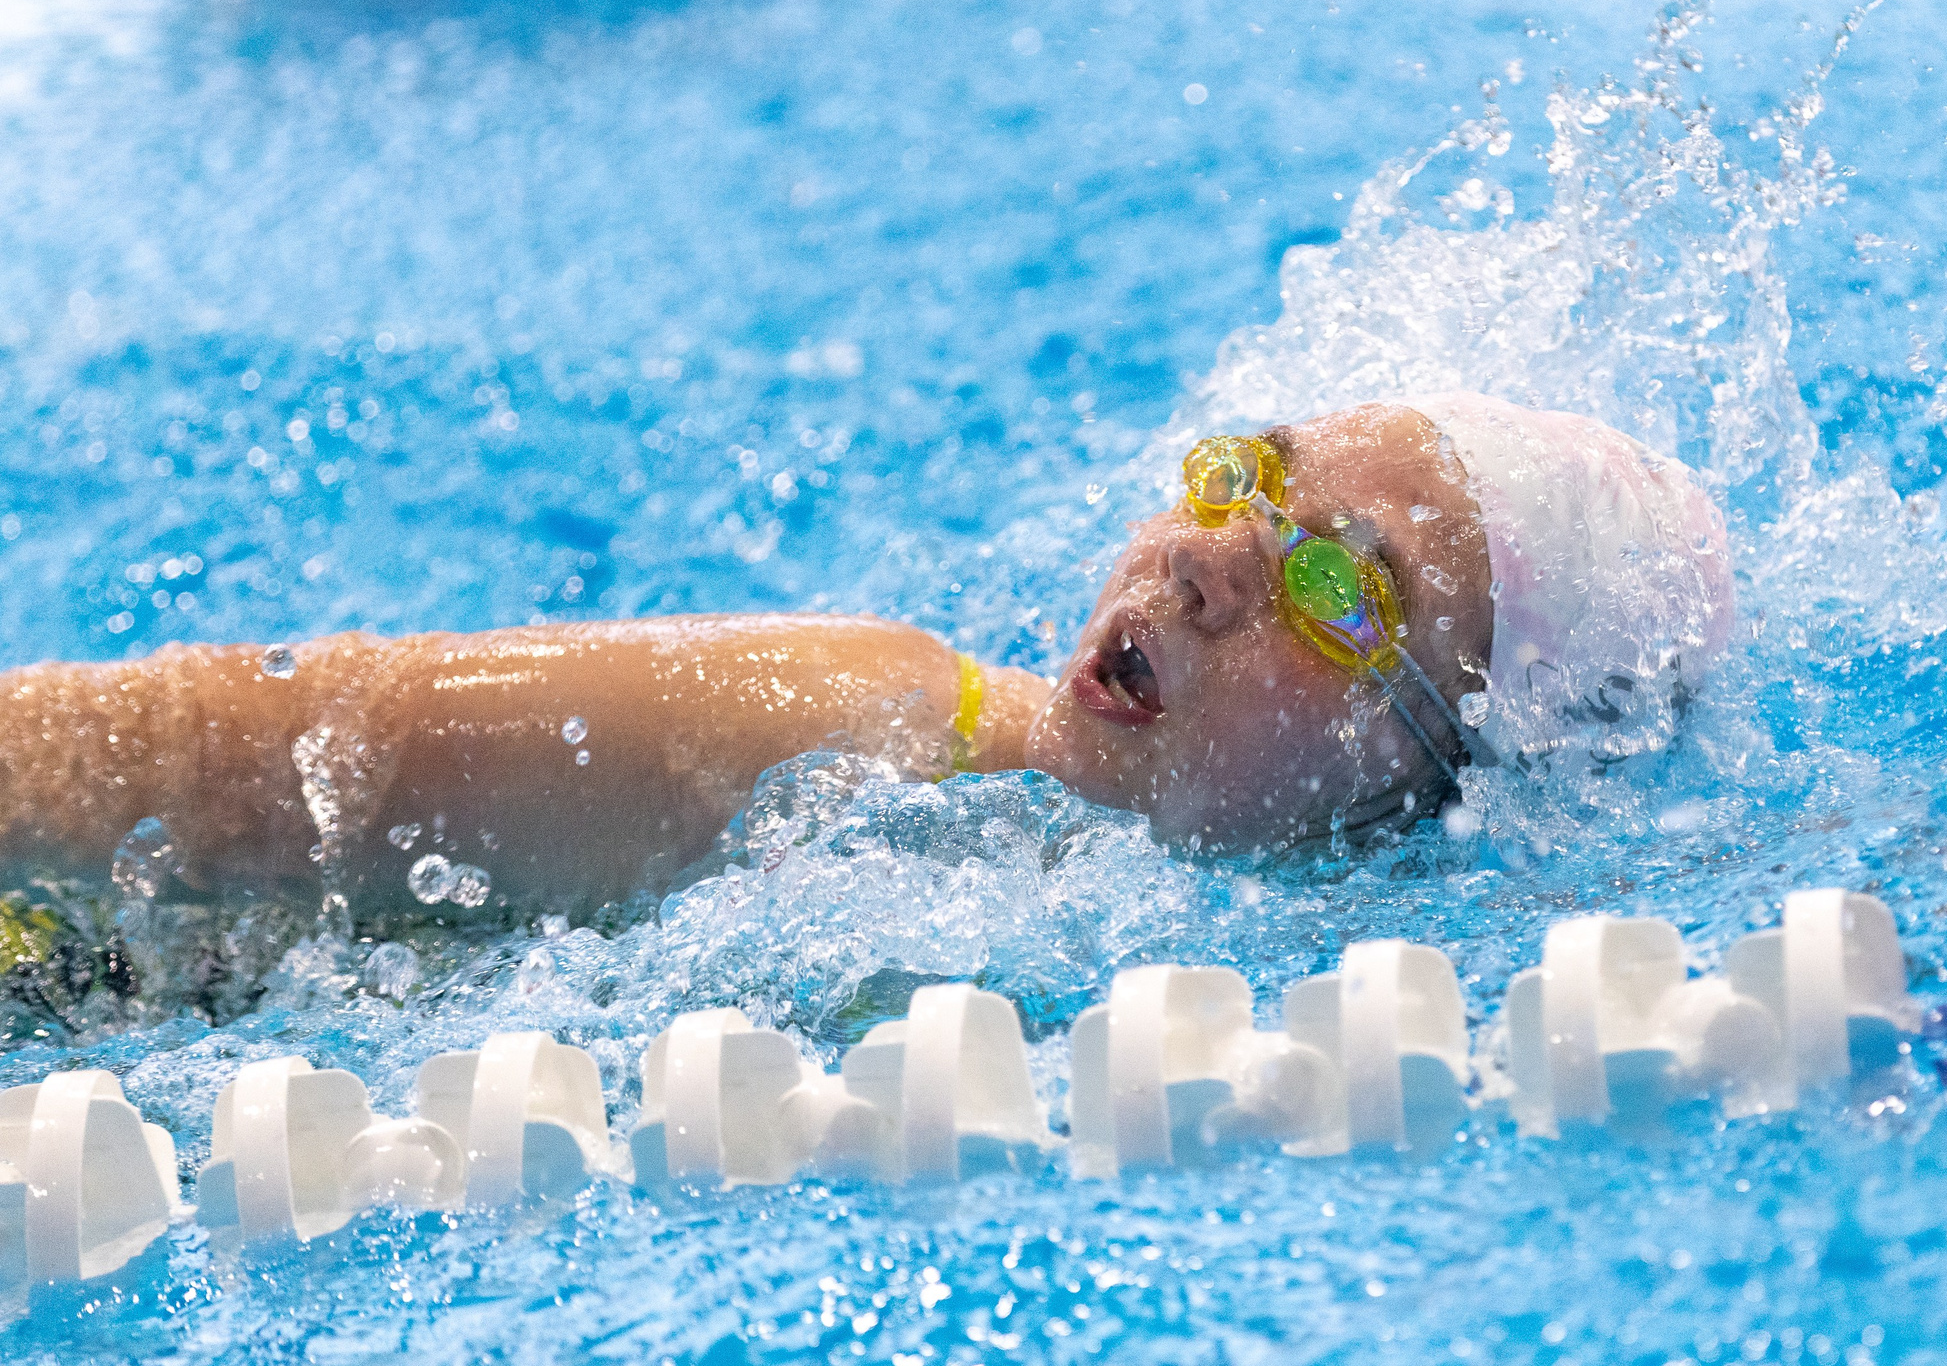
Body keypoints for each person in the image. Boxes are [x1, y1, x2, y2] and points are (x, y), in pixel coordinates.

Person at [0, 395, 1732, 928]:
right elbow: (213, 759)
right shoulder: (841, 722)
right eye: (1247, 479)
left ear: (1438, 781)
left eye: (1345, 589)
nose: (1210, 562)